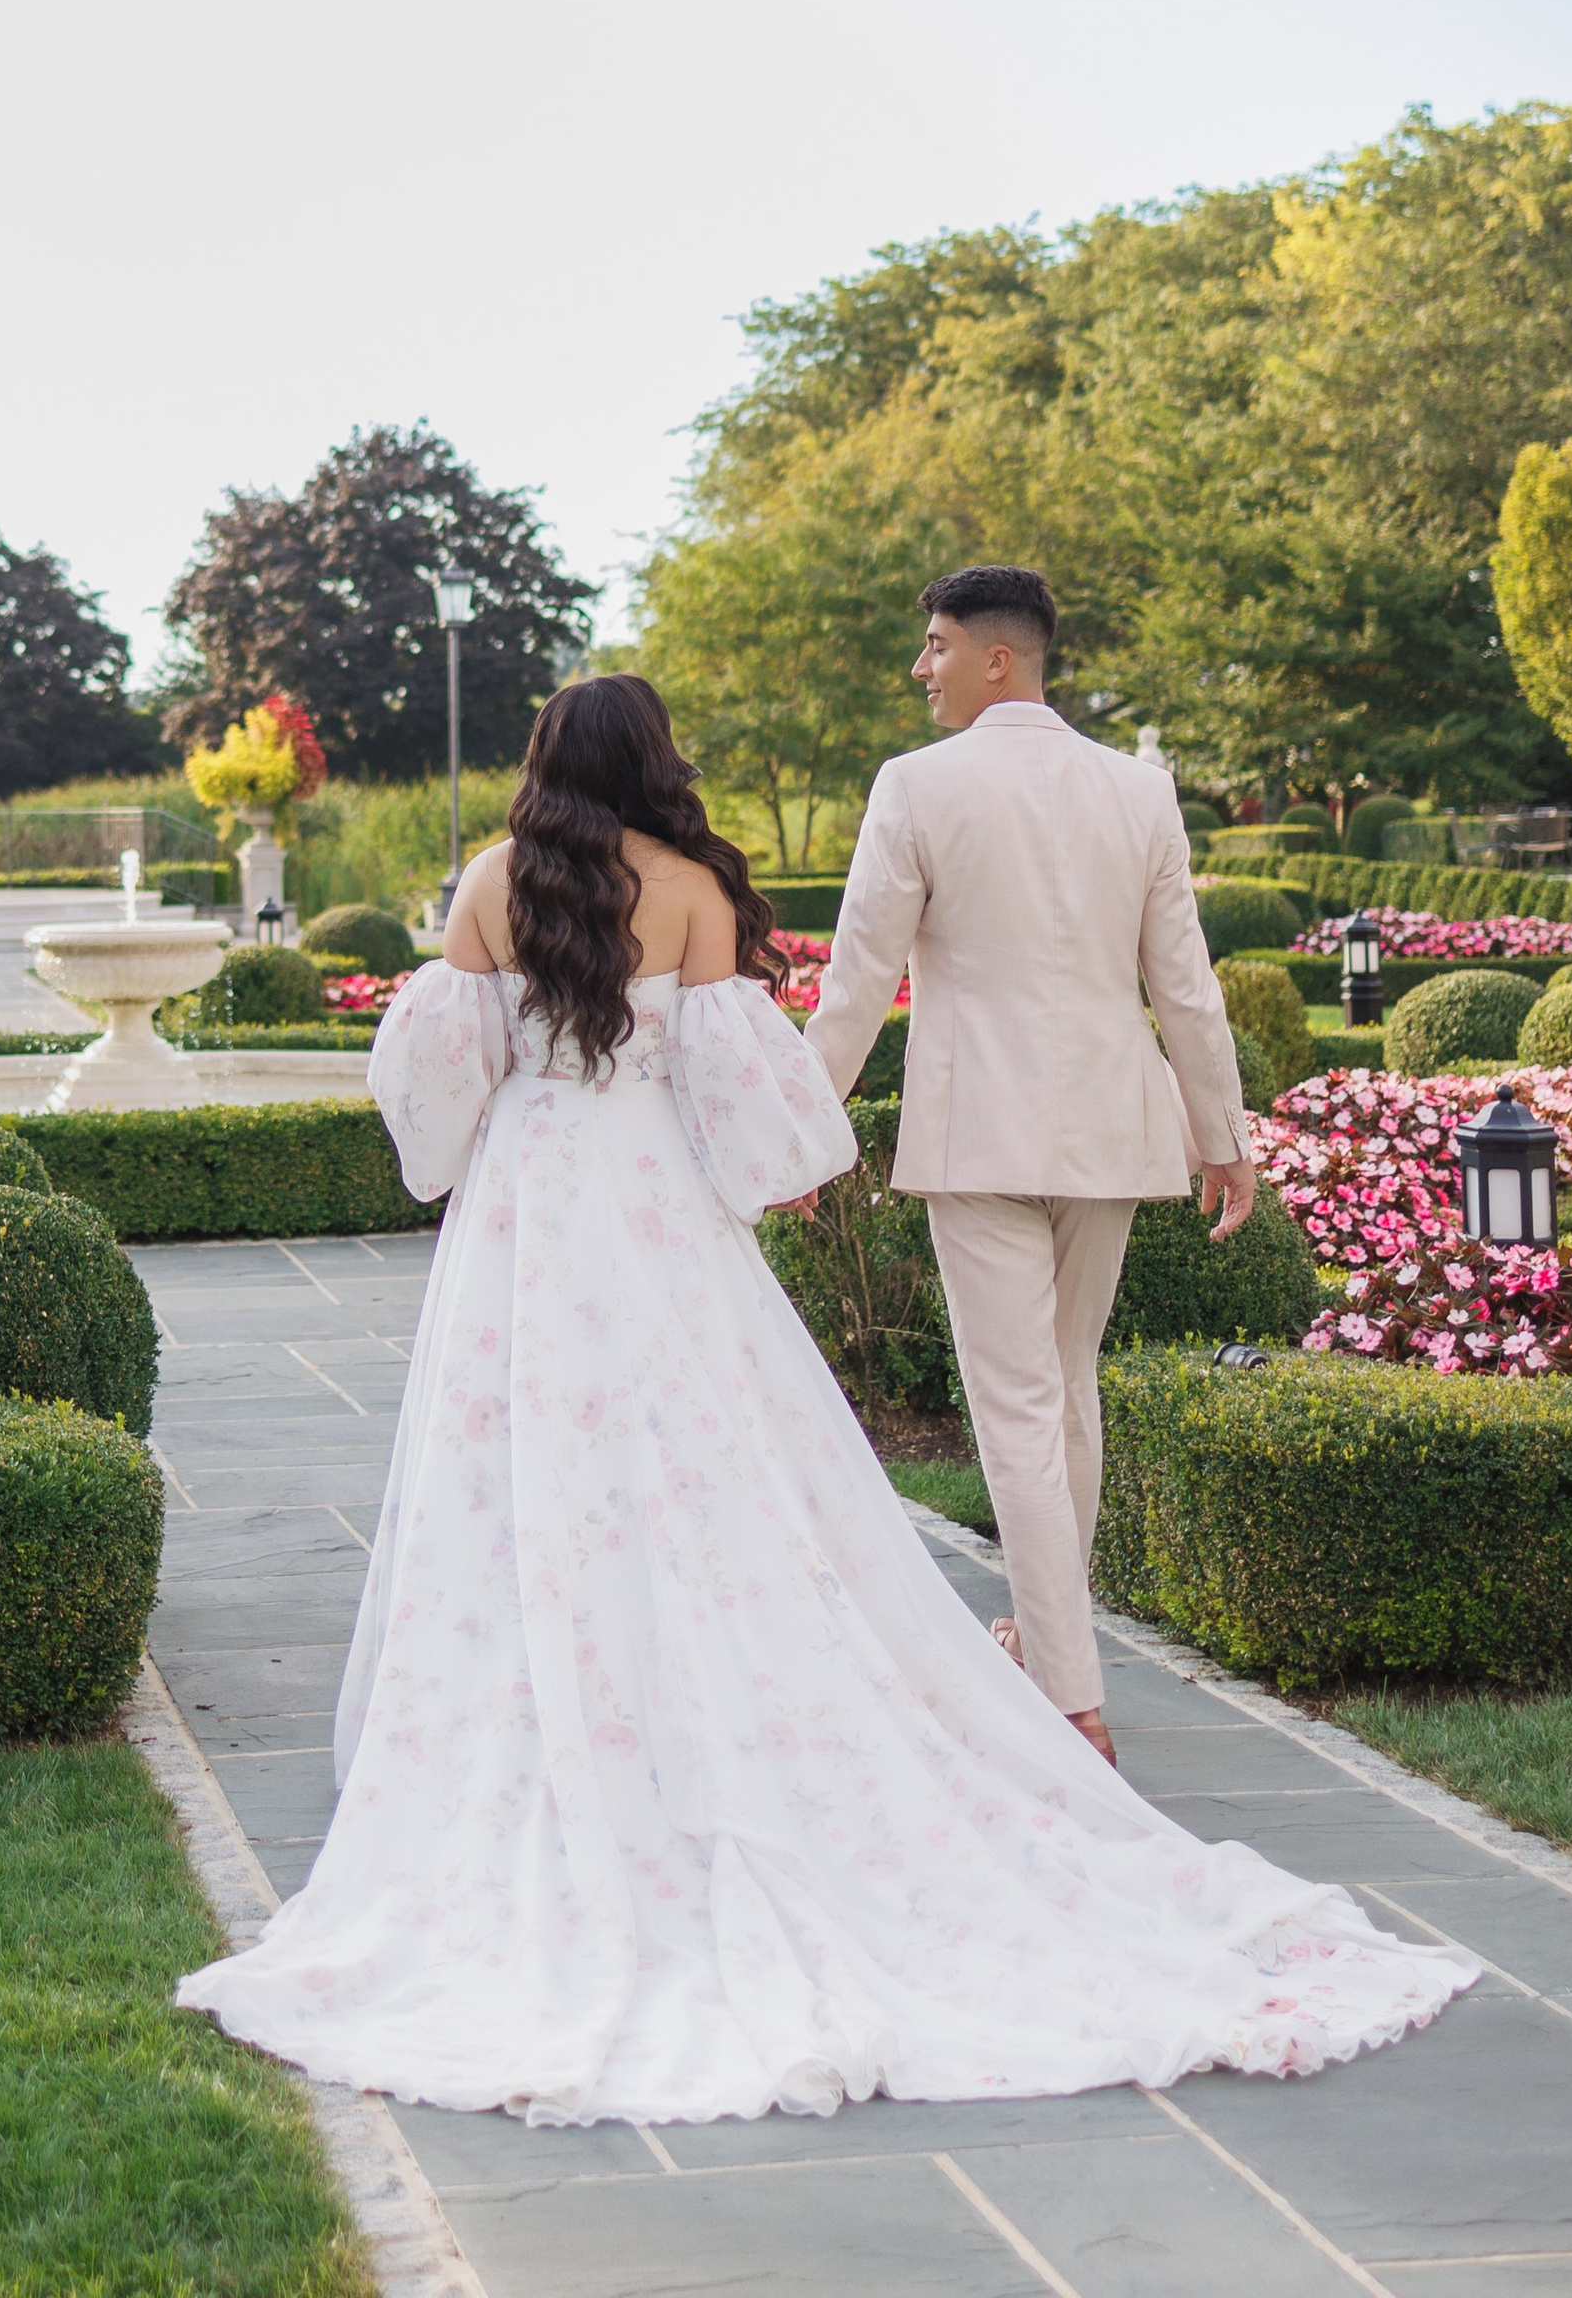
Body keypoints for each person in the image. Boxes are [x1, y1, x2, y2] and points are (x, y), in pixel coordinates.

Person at [178, 672, 1474, 2126]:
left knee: (523, 1458)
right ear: (653, 761)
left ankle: (550, 1711)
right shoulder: (691, 892)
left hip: (528, 1213)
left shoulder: (490, 884)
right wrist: (776, 1170)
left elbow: (436, 1081)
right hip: (655, 1209)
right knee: (714, 1461)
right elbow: (741, 1097)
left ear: (544, 761)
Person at [805, 565, 1252, 1764]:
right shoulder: (1138, 790)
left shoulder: (915, 785)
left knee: (1017, 1408)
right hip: (1108, 1129)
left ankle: (1068, 1698)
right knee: (1063, 1392)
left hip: (980, 1134)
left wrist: (796, 1129)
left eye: (936, 645)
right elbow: (1186, 987)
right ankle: (1048, 1647)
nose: (922, 667)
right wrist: (1224, 1137)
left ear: (995, 658)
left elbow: (856, 984)